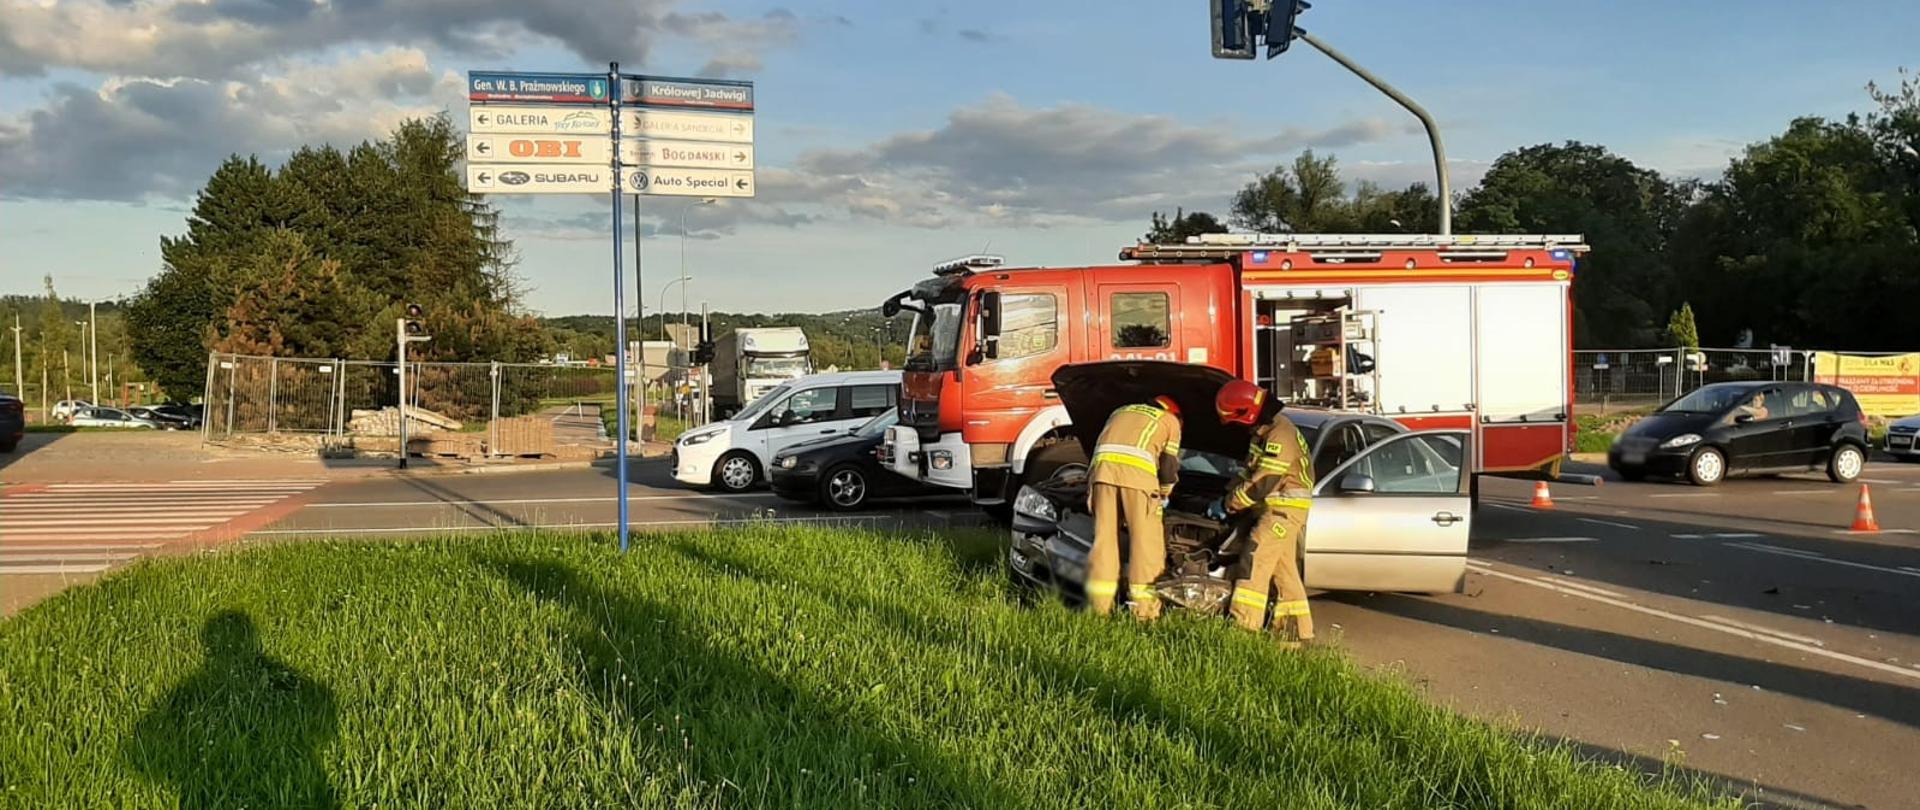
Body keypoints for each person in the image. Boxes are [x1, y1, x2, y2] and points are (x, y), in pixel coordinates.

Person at [1207, 379, 1316, 646]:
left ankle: (1244, 630)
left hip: (1284, 508)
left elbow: (1264, 481)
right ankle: (1294, 635)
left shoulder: (1280, 434)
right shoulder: (1264, 432)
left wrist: (1229, 505)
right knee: (1283, 570)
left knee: (1254, 556)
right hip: (1275, 506)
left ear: (1247, 413)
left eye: (1235, 420)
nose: (1236, 427)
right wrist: (1225, 494)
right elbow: (1249, 473)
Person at [1085, 394, 1184, 620]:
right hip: (1139, 481)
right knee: (1145, 546)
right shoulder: (1169, 420)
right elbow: (1168, 466)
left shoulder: (1119, 411)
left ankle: (1100, 609)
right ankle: (1145, 613)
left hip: (1101, 477)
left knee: (1104, 544)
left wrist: (1090, 488)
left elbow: (1099, 448)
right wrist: (1165, 492)